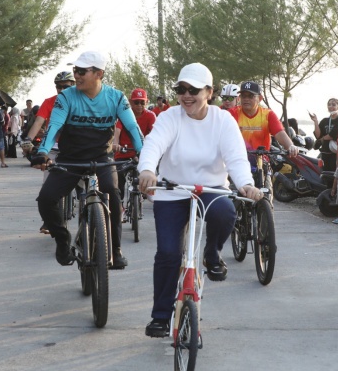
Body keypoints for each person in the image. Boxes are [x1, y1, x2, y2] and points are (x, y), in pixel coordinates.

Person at [136, 63, 260, 338]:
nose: (186, 96)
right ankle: (160, 316)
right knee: (168, 254)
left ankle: (211, 253)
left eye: (193, 90)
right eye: (181, 89)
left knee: (226, 214)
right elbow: (154, 144)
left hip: (210, 189)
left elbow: (236, 158)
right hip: (172, 190)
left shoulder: (223, 120)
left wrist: (246, 185)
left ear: (209, 92)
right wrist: (147, 170)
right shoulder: (170, 117)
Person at [29, 51, 144, 270]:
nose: (77, 75)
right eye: (75, 71)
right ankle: (63, 240)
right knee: (46, 198)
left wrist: (144, 154)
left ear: (99, 73)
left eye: (82, 71)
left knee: (112, 192)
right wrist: (43, 151)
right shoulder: (66, 97)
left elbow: (133, 127)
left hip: (102, 157)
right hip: (70, 158)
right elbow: (54, 127)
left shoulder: (116, 97)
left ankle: (116, 249)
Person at [22, 72, 76, 234]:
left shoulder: (82, 100)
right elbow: (39, 121)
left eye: (65, 86)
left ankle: (95, 215)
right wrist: (28, 140)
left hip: (77, 149)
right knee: (48, 184)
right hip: (54, 147)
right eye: (58, 86)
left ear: (74, 85)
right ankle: (49, 220)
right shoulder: (49, 102)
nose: (61, 90)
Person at [228, 81, 299, 187]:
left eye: (251, 96)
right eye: (243, 96)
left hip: (261, 162)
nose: (246, 99)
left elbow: (279, 133)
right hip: (237, 162)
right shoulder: (232, 113)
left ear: (260, 98)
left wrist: (290, 146)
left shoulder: (268, 115)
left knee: (266, 193)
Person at [111, 88, 157, 215]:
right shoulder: (125, 114)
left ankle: (146, 191)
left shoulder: (150, 116)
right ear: (130, 102)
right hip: (123, 152)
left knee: (148, 171)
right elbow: (117, 131)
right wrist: (115, 143)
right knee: (118, 176)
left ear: (147, 102)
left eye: (142, 102)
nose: (139, 106)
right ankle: (119, 204)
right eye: (136, 102)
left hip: (142, 152)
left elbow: (154, 134)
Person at [310, 98, 338, 172]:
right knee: (324, 174)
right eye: (329, 104)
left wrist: (321, 140)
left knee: (334, 174)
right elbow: (318, 136)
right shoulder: (324, 121)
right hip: (324, 153)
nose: (331, 106)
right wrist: (315, 121)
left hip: (335, 153)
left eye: (333, 105)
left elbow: (331, 135)